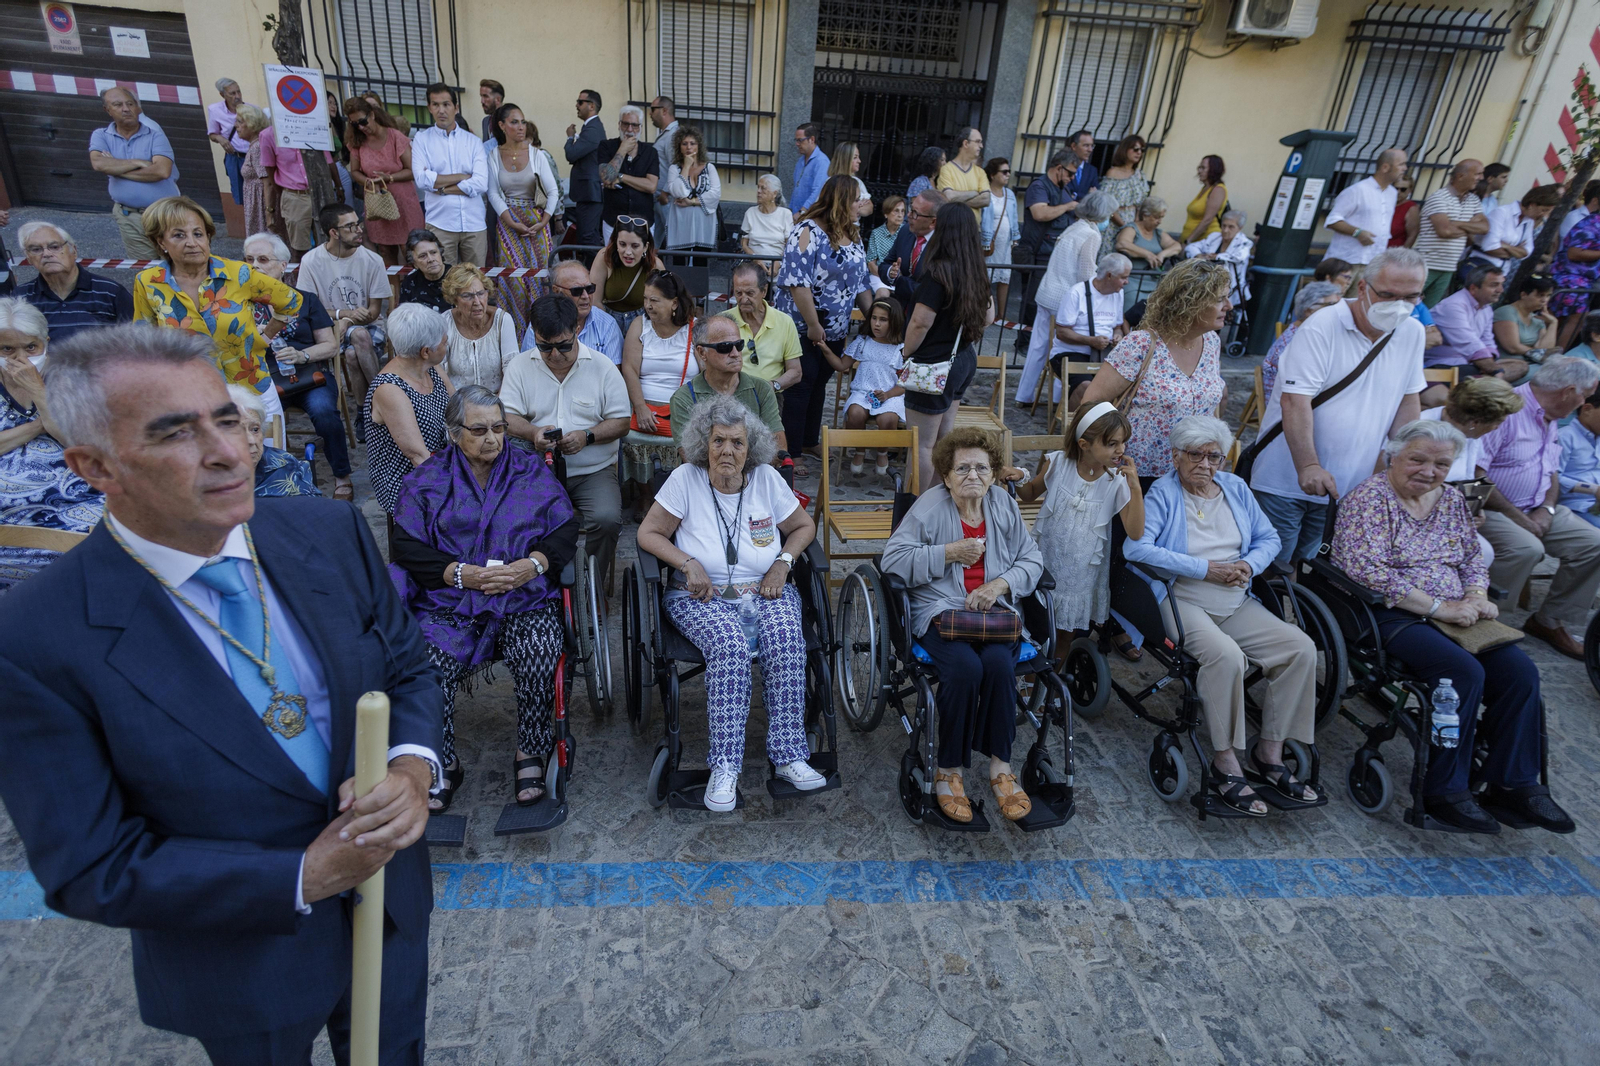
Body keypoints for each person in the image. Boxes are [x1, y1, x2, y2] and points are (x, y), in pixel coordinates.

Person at [0, 323, 441, 1060]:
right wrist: (300, 876)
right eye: (176, 434)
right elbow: (90, 866)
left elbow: (405, 668)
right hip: (238, 965)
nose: (228, 453)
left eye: (228, 418)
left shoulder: (328, 531)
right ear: (94, 467)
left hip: (389, 912)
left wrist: (411, 767)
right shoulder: (37, 638)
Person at [1330, 419, 1574, 835]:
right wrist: (1439, 608)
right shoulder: (1370, 499)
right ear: (1393, 456)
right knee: (1461, 672)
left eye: (1441, 464)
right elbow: (1366, 571)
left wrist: (1478, 594)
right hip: (1391, 612)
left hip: (1459, 610)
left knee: (1521, 673)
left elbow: (1470, 558)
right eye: (1417, 459)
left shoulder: (1451, 500)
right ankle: (1443, 791)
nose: (1429, 471)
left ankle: (1513, 784)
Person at [635, 395, 827, 811]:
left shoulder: (766, 480)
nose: (727, 451)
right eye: (719, 440)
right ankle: (725, 766)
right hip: (699, 595)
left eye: (737, 443)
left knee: (786, 637)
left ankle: (790, 755)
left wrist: (782, 563)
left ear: (751, 447)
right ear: (704, 443)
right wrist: (687, 563)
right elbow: (648, 535)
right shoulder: (686, 479)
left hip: (764, 587)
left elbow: (802, 526)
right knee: (729, 647)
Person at [390, 384, 575, 811]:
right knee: (427, 663)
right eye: (479, 430)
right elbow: (405, 546)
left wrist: (534, 565)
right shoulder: (428, 479)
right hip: (450, 598)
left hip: (522, 593)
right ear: (455, 433)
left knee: (539, 649)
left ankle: (530, 748)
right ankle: (443, 759)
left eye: (499, 428)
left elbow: (565, 529)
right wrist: (459, 574)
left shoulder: (529, 470)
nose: (492, 438)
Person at [1126, 415, 1321, 817]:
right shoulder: (1163, 493)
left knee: (1300, 648)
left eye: (1214, 455)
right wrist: (1204, 569)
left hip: (1235, 597)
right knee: (1225, 657)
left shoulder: (1235, 488)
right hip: (1182, 598)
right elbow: (1137, 550)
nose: (1205, 464)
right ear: (1176, 455)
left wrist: (1249, 565)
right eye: (1195, 454)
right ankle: (1225, 758)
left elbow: (1270, 538)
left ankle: (1269, 751)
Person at [880, 427, 1044, 823]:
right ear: (947, 474)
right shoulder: (928, 508)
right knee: (965, 668)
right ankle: (948, 769)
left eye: (982, 468)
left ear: (993, 473)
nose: (973, 475)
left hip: (994, 611)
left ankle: (1000, 768)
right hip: (940, 611)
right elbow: (892, 562)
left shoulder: (1003, 505)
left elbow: (1033, 559)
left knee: (1001, 666)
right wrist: (947, 553)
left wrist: (1000, 584)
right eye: (963, 468)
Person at [1248, 247, 1427, 567]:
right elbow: (1295, 400)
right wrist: (1308, 466)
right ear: (1363, 288)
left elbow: (1408, 399)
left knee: (1313, 567)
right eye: (1388, 294)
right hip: (1286, 477)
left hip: (1349, 484)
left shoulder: (1412, 331)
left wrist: (1404, 462)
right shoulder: (1322, 326)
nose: (1399, 306)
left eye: (1411, 297)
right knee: (1272, 569)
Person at [131, 196, 301, 424]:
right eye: (179, 235)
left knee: (264, 457)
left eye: (198, 233)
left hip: (252, 390)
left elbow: (291, 300)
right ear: (161, 242)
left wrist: (264, 338)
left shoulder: (239, 273)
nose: (192, 242)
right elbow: (143, 341)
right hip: (192, 399)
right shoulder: (148, 283)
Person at [501, 295, 630, 589]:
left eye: (563, 345)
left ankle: (589, 588)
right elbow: (507, 415)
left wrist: (588, 436)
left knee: (608, 519)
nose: (555, 355)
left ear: (577, 330)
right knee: (517, 519)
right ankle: (538, 584)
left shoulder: (603, 366)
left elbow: (622, 421)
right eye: (545, 347)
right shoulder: (521, 366)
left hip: (592, 471)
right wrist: (533, 433)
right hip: (535, 468)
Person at [1476, 356, 1600, 659]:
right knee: (1526, 548)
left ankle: (1548, 620)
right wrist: (1520, 517)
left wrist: (1547, 508)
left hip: (1539, 508)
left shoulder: (1552, 417)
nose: (1585, 401)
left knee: (1595, 544)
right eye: (1585, 394)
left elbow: (1551, 470)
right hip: (1495, 510)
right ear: (1568, 391)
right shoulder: (1507, 410)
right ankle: (1486, 622)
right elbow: (1477, 476)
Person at [1077, 257, 1230, 480]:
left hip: (1191, 477)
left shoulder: (1211, 343)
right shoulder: (1141, 344)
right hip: (1136, 476)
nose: (1229, 306)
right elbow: (1091, 405)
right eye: (1220, 299)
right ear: (1191, 302)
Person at [774, 175, 885, 472]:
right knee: (800, 384)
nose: (861, 204)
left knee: (820, 382)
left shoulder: (853, 233)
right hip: (802, 325)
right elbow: (798, 284)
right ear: (840, 200)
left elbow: (861, 283)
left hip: (835, 327)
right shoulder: (806, 231)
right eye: (856, 199)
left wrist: (876, 318)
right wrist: (812, 324)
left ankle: (810, 439)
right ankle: (792, 451)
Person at [1016, 402, 1144, 654]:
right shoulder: (1059, 464)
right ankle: (1028, 681)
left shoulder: (1116, 482)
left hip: (1080, 575)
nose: (1121, 450)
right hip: (1046, 559)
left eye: (1123, 442)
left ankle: (1050, 685)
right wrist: (1018, 477)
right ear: (1084, 444)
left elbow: (1135, 532)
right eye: (1112, 444)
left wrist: (1135, 487)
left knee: (1065, 634)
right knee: (1033, 623)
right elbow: (1030, 494)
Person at [241, 231, 355, 501]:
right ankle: (260, 480)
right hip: (260, 378)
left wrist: (302, 355)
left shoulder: (305, 300)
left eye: (263, 259)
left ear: (283, 266)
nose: (254, 265)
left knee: (324, 411)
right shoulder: (238, 306)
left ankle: (342, 475)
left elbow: (329, 345)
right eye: (248, 260)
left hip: (307, 376)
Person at [0, 298, 102, 590]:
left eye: (31, 347)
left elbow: (80, 442)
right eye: (7, 349)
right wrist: (38, 425)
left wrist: (37, 390)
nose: (20, 357)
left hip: (75, 502)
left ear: (46, 342)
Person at [901, 203, 993, 490]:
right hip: (963, 359)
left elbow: (919, 323)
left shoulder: (938, 272)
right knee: (943, 441)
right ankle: (936, 506)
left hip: (933, 365)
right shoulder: (976, 270)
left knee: (922, 446)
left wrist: (905, 353)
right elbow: (990, 316)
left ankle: (913, 509)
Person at [1016, 189, 1124, 407]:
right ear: (1102, 214)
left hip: (1047, 291)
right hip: (1064, 296)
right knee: (1063, 346)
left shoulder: (1075, 226)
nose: (1110, 219)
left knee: (1037, 347)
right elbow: (1086, 273)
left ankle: (1023, 396)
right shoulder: (1092, 234)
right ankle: (1058, 401)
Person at [365, 302, 455, 513]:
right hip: (408, 479)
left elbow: (458, 409)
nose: (446, 345)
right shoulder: (390, 389)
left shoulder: (431, 368)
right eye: (444, 342)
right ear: (425, 351)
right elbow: (418, 457)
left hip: (443, 461)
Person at [298, 203, 390, 404]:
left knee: (353, 350)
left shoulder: (372, 260)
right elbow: (308, 310)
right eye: (350, 226)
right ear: (334, 232)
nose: (359, 230)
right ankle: (383, 402)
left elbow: (374, 311)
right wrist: (344, 315)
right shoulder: (311, 261)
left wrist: (348, 320)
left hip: (370, 327)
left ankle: (369, 408)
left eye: (358, 223)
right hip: (327, 330)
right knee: (355, 341)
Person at [487, 102, 562, 336]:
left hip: (537, 222)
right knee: (512, 281)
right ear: (502, 125)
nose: (520, 127)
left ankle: (542, 332)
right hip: (509, 224)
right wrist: (511, 222)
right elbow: (493, 193)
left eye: (522, 121)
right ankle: (514, 335)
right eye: (514, 122)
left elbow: (553, 191)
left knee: (539, 277)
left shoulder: (536, 154)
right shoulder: (493, 155)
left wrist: (544, 222)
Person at [620, 269, 698, 490]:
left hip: (683, 409)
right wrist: (640, 407)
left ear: (674, 303)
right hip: (644, 405)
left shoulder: (695, 328)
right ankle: (645, 492)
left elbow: (706, 374)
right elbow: (630, 369)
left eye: (654, 300)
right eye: (645, 299)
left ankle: (681, 491)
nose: (648, 305)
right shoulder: (639, 325)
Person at [670, 315, 786, 454]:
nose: (735, 353)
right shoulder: (684, 398)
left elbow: (779, 447)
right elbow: (690, 456)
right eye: (725, 347)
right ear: (702, 352)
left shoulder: (761, 389)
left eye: (739, 345)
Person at [89, 87, 181, 260]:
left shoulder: (155, 135)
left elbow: (161, 171)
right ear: (107, 110)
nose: (126, 108)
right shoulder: (100, 135)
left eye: (130, 104)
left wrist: (116, 169)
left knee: (176, 265)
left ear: (138, 108)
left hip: (165, 214)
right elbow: (98, 163)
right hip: (128, 216)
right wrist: (136, 162)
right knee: (145, 269)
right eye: (118, 104)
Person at [411, 83, 490, 269]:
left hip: (474, 223)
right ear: (429, 107)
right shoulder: (422, 140)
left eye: (446, 104)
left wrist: (443, 188)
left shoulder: (473, 142)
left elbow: (480, 183)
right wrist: (462, 176)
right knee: (443, 283)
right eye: (436, 105)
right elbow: (422, 180)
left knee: (475, 280)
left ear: (456, 107)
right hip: (440, 223)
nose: (441, 110)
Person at [15, 221, 133, 340]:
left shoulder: (110, 292)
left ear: (74, 251)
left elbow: (135, 337)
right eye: (36, 249)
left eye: (55, 247)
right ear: (28, 258)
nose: (46, 254)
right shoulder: (21, 297)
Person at [345, 95, 425, 265]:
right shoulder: (357, 142)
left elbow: (413, 171)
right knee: (385, 251)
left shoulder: (395, 137)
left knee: (410, 251)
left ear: (372, 115)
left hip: (403, 202)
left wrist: (388, 178)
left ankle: (412, 290)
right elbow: (354, 171)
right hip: (377, 202)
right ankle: (392, 290)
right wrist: (367, 181)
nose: (360, 127)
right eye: (354, 124)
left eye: (362, 121)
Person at [1015, 150, 1082, 345]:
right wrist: (1068, 207)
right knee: (1032, 301)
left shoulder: (1063, 189)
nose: (1072, 178)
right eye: (1070, 173)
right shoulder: (1039, 186)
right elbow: (1039, 213)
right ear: (1059, 168)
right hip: (1037, 254)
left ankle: (1040, 341)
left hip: (1055, 254)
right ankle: (1025, 342)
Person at [1050, 252, 1131, 408]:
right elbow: (1061, 332)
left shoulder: (1118, 294)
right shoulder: (1077, 293)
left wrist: (1117, 336)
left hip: (1104, 354)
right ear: (1109, 276)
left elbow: (1118, 327)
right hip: (1070, 353)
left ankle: (1100, 423)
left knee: (1122, 385)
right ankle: (1073, 426)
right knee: (1087, 386)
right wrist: (1090, 341)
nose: (1127, 282)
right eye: (1123, 277)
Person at [1426, 265, 1528, 379]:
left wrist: (1491, 364)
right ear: (1473, 288)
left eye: (1501, 285)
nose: (1500, 290)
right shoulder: (1453, 306)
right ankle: (1490, 382)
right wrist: (1494, 370)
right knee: (1497, 373)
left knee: (1521, 366)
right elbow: (1468, 343)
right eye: (1494, 285)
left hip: (1471, 363)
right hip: (1443, 365)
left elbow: (1487, 340)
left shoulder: (1486, 308)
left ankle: (1488, 381)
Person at [841, 297, 906, 475]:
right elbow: (841, 365)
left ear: (894, 322)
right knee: (855, 413)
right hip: (863, 391)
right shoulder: (863, 342)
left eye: (883, 320)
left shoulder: (900, 349)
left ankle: (882, 451)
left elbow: (905, 383)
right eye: (874, 318)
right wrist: (823, 347)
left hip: (890, 394)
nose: (877, 324)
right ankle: (859, 450)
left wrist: (888, 394)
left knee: (888, 419)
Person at [1416, 159, 1490, 305]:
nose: (1481, 178)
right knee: (1407, 304)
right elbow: (1444, 231)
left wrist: (1457, 223)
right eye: (1478, 174)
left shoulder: (1473, 200)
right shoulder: (1439, 198)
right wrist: (1469, 229)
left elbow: (1485, 228)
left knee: (1429, 309)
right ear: (1461, 176)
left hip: (1448, 267)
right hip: (1427, 265)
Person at [1323, 149, 1408, 275]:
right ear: (1385, 167)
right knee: (1335, 295)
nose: (1405, 168)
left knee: (1359, 295)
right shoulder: (1357, 190)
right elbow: (1332, 221)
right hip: (1345, 261)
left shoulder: (1392, 193)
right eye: (1401, 164)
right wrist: (1358, 232)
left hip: (1372, 262)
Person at [227, 384, 320, 497]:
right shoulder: (203, 477)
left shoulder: (289, 468)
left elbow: (314, 510)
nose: (251, 440)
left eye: (255, 429)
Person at [723, 261, 803, 390]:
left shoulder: (784, 322)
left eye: (750, 293)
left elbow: (795, 371)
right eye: (738, 293)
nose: (743, 299)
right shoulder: (722, 321)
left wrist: (772, 386)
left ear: (764, 291)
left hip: (770, 396)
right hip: (731, 396)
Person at [258, 124, 333, 261]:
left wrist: (338, 188)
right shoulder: (268, 135)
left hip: (320, 193)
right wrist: (283, 193)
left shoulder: (313, 126)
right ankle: (302, 281)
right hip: (295, 195)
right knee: (299, 249)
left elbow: (327, 161)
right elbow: (270, 170)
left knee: (329, 245)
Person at [441, 263, 518, 392]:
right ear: (455, 299)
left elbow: (512, 372)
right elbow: (438, 371)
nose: (477, 302)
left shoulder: (503, 321)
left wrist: (495, 405)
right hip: (457, 402)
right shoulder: (445, 322)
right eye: (467, 296)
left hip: (498, 399)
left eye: (481, 293)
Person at [1261, 281, 1341, 399]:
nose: (1338, 310)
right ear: (1309, 310)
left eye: (1339, 305)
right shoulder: (1299, 340)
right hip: (1286, 404)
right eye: (1331, 305)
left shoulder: (1310, 331)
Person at [537, 258, 624, 364]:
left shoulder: (607, 325)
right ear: (556, 291)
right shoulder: (539, 322)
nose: (585, 296)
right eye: (576, 291)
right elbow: (530, 366)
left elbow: (612, 375)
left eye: (589, 289)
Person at [591, 217, 666, 332]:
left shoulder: (655, 266)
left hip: (642, 324)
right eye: (622, 244)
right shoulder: (604, 257)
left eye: (635, 246)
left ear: (645, 247)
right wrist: (611, 330)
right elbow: (595, 301)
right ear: (616, 242)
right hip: (607, 321)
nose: (628, 252)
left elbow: (662, 305)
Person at [1469, 184, 1560, 277]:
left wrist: (1506, 246)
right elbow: (1490, 247)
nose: (1544, 215)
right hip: (1480, 269)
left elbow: (1527, 252)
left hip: (1501, 273)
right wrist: (1516, 251)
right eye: (1544, 210)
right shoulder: (1502, 213)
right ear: (1532, 205)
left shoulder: (1529, 221)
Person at [598, 104, 660, 240]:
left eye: (635, 125)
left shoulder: (650, 152)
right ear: (619, 125)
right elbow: (607, 177)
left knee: (642, 261)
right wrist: (622, 149)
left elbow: (651, 186)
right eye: (626, 124)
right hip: (613, 221)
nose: (630, 129)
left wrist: (620, 177)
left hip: (643, 222)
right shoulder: (606, 146)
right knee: (612, 260)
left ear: (640, 127)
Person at [881, 188, 945, 315]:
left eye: (915, 213)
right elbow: (885, 264)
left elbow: (929, 291)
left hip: (926, 317)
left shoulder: (944, 244)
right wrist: (891, 273)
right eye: (910, 209)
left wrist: (901, 281)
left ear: (933, 222)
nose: (909, 215)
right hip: (901, 312)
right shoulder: (905, 231)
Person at [664, 124, 722, 257]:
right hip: (681, 223)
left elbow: (715, 194)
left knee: (701, 263)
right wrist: (686, 167)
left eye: (692, 143)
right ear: (679, 146)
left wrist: (691, 202)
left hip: (703, 224)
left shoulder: (709, 168)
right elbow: (677, 192)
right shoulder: (675, 169)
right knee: (679, 263)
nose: (688, 147)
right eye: (684, 143)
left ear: (698, 146)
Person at [1114, 195, 1182, 303]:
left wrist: (1162, 254)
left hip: (1153, 282)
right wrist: (1147, 254)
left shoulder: (1158, 233)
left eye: (1161, 217)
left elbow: (1176, 246)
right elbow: (1122, 244)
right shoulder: (1131, 229)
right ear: (1145, 215)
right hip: (1131, 280)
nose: (1159, 221)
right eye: (1156, 217)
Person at [1549, 202, 1600, 348]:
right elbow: (1574, 253)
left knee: (1567, 319)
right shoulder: (1591, 224)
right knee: (1576, 318)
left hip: (1585, 281)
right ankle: (1553, 356)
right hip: (1569, 278)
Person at [565, 88, 607, 247]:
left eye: (580, 102)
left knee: (588, 238)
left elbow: (572, 154)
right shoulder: (591, 128)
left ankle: (599, 270)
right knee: (587, 237)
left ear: (591, 106)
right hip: (588, 193)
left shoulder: (593, 129)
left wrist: (570, 137)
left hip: (591, 194)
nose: (576, 105)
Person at [1184, 209, 1252, 307]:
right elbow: (1191, 247)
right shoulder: (1214, 237)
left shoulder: (1244, 242)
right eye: (1224, 225)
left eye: (1231, 227)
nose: (1225, 230)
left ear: (1240, 228)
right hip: (1206, 281)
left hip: (1231, 287)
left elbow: (1239, 257)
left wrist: (1217, 256)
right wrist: (1197, 255)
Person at [1097, 135, 1151, 258]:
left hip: (1133, 223)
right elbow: (1107, 203)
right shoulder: (1113, 173)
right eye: (1135, 149)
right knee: (1108, 258)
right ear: (1125, 149)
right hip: (1113, 222)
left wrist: (1134, 226)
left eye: (1142, 150)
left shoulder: (1139, 175)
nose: (1139, 153)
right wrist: (1123, 226)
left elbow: (1141, 203)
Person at [206, 77, 253, 206]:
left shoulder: (252, 110)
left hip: (253, 157)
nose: (237, 96)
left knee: (259, 194)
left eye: (239, 91)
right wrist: (220, 139)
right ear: (222, 95)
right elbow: (212, 134)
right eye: (232, 93)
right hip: (234, 158)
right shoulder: (215, 110)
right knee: (240, 196)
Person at [1493, 274, 1559, 364]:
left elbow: (1545, 349)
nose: (1544, 300)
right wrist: (1537, 353)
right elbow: (1512, 347)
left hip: (1531, 364)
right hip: (1508, 364)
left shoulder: (1537, 318)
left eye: (1548, 295)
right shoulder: (1506, 312)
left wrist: (1553, 323)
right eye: (1540, 295)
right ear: (1523, 294)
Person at [982, 158, 1019, 318]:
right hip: (989, 242)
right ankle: (985, 311)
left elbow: (1014, 216)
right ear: (992, 175)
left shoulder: (1009, 194)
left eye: (1008, 171)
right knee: (985, 277)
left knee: (1005, 276)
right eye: (1004, 172)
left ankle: (1001, 315)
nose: (1008, 174)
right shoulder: (984, 193)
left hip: (1006, 243)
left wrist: (1015, 237)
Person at [1559, 384, 1600, 527]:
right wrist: (1594, 489)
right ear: (1587, 409)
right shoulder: (1564, 437)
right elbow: (1553, 478)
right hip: (1577, 506)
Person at [740, 174, 793, 275]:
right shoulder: (750, 213)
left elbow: (790, 245)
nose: (758, 191)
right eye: (758, 187)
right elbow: (744, 244)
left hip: (779, 266)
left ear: (774, 194)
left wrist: (778, 262)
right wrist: (756, 259)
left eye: (763, 188)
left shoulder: (785, 214)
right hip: (753, 266)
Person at [234, 103, 272, 238]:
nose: (236, 126)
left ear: (252, 124)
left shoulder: (257, 148)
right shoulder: (254, 146)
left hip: (260, 205)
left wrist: (269, 212)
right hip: (256, 204)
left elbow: (267, 181)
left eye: (239, 121)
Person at [936, 127, 987, 223]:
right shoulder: (947, 170)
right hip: (951, 226)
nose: (981, 146)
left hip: (972, 229)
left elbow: (986, 199)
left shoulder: (980, 173)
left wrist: (957, 199)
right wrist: (974, 193)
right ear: (966, 144)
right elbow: (948, 197)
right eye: (978, 141)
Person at [398, 228, 453, 312]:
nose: (430, 259)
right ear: (414, 263)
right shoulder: (409, 283)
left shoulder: (459, 277)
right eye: (423, 256)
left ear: (440, 253)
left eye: (433, 252)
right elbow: (405, 318)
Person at [1181, 156, 1227, 243]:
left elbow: (1207, 220)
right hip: (1192, 241)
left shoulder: (1218, 190)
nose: (1199, 171)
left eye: (1203, 168)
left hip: (1204, 243)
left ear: (1214, 169)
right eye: (1199, 168)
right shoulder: (1206, 188)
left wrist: (1188, 241)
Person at [791, 122, 830, 212]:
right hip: (796, 214)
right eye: (796, 140)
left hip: (810, 216)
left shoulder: (821, 161)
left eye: (800, 140)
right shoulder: (800, 161)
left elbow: (818, 192)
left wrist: (802, 211)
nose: (797, 144)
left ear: (812, 139)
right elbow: (796, 189)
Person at [828, 141, 873, 219]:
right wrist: (857, 207)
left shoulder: (858, 182)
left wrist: (854, 209)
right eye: (855, 157)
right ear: (845, 159)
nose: (859, 161)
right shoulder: (830, 182)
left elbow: (870, 208)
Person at [866, 194, 905, 273]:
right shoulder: (876, 233)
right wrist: (886, 277)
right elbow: (871, 262)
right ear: (886, 214)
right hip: (880, 275)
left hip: (901, 277)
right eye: (896, 211)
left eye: (903, 211)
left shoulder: (907, 232)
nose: (900, 215)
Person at [1389, 174, 1420, 248]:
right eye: (1396, 188)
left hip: (1394, 251)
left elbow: (1412, 235)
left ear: (1410, 190)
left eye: (1403, 189)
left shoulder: (1411, 208)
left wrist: (1403, 253)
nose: (1398, 192)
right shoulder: (1385, 203)